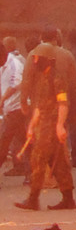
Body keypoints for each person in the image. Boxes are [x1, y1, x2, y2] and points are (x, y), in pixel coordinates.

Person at [15, 43, 75, 211]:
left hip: (51, 126)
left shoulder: (57, 78)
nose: (34, 60)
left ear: (46, 60)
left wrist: (60, 126)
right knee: (59, 162)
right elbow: (40, 107)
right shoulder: (42, 77)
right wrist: (32, 126)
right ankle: (68, 198)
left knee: (38, 159)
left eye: (36, 58)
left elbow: (63, 103)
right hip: (43, 125)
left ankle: (33, 199)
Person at [0, 45, 28, 177]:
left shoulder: (15, 65)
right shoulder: (3, 66)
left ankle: (31, 172)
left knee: (4, 141)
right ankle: (30, 172)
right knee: (24, 141)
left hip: (17, 109)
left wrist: (2, 99)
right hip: (9, 109)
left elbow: (15, 84)